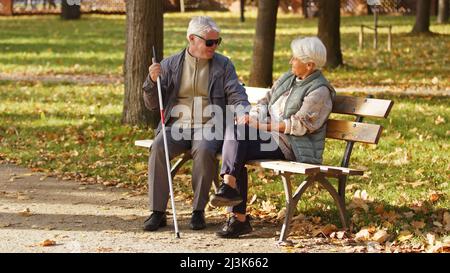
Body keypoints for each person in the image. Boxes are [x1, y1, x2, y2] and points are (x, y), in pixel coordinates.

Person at [210, 37, 336, 238]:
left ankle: (233, 202)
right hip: (268, 136)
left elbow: (300, 125)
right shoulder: (288, 78)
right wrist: (250, 118)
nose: (290, 61)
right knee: (235, 135)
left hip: (290, 144)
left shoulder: (319, 91)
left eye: (295, 58)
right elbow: (265, 102)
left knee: (236, 147)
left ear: (310, 65)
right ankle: (232, 198)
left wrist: (261, 125)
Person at [142, 16, 250, 232]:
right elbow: (153, 104)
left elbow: (236, 93)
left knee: (203, 148)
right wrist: (151, 82)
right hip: (176, 125)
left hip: (210, 126)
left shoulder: (223, 65)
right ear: (192, 39)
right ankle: (157, 211)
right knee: (158, 146)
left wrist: (242, 110)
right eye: (210, 42)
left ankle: (198, 210)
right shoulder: (170, 64)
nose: (214, 46)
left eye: (217, 42)